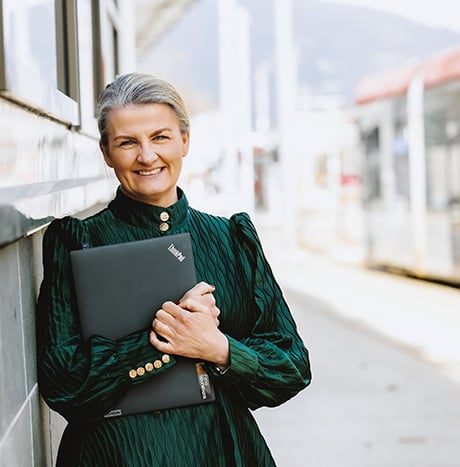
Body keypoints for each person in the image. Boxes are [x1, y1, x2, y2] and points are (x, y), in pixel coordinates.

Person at [36, 72, 311, 466]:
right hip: (116, 455)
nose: (147, 156)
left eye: (160, 137)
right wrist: (162, 337)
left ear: (185, 139)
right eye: (127, 142)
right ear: (106, 151)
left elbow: (292, 367)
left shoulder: (232, 239)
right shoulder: (78, 242)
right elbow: (63, 385)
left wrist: (218, 348)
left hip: (220, 451)